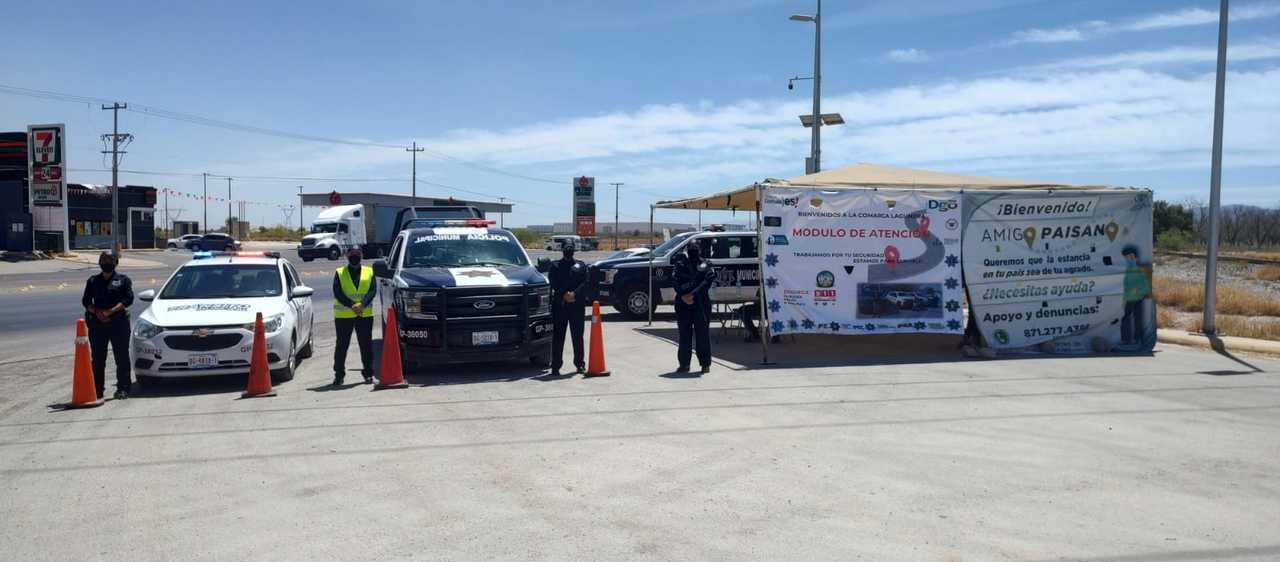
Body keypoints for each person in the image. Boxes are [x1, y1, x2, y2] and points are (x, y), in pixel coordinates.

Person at [81, 251, 134, 399]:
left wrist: (110, 312)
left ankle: (123, 388)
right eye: (103, 260)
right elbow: (86, 301)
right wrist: (97, 312)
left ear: (116, 262)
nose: (106, 263)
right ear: (99, 262)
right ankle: (97, 390)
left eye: (110, 260)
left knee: (121, 357)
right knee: (98, 359)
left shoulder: (123, 280)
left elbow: (128, 299)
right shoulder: (93, 281)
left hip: (118, 324)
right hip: (98, 325)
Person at [543, 243, 589, 376]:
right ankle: (556, 366)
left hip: (577, 305)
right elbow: (553, 282)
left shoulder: (581, 265)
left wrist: (574, 294)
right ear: (562, 250)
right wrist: (564, 294)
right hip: (560, 306)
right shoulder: (555, 266)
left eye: (570, 249)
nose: (568, 251)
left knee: (577, 336)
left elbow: (585, 282)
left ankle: (579, 364)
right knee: (558, 337)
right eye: (566, 248)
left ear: (574, 251)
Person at [332, 248, 377, 385]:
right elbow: (337, 292)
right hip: (344, 315)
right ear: (347, 256)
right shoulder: (340, 272)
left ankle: (368, 374)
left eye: (357, 255)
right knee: (342, 346)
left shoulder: (369, 271)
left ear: (361, 256)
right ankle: (339, 375)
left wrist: (362, 304)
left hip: (365, 314)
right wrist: (352, 305)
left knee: (366, 345)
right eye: (352, 255)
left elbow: (372, 290)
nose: (354, 258)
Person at [672, 242, 716, 373]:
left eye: (694, 250)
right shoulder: (680, 264)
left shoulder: (705, 264)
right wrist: (683, 295)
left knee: (701, 335)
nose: (693, 253)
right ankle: (685, 364)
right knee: (685, 335)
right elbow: (675, 281)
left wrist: (690, 295)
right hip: (684, 303)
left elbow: (706, 282)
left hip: (700, 303)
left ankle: (704, 364)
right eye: (692, 250)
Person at [1120, 245, 1151, 346]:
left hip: (1137, 298)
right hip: (1129, 298)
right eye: (1126, 258)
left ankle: (1137, 339)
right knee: (1128, 318)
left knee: (1136, 318)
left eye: (1130, 257)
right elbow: (1126, 285)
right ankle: (1127, 340)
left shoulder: (1140, 269)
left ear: (1135, 257)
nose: (1128, 260)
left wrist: (1137, 290)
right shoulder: (1129, 269)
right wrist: (1124, 298)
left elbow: (1146, 286)